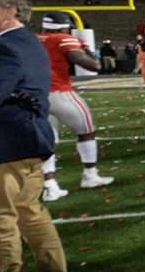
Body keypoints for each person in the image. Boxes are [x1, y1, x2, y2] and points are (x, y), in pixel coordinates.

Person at [0, 0, 75, 272]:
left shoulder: (6, 46)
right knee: (32, 214)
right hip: (28, 141)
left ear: (9, 12)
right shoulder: (29, 42)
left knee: (3, 222)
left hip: (7, 144)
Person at [36, 12, 114, 201]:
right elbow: (94, 66)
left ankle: (50, 186)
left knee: (48, 140)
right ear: (63, 27)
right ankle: (90, 175)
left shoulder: (33, 39)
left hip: (37, 95)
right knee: (86, 131)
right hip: (60, 92)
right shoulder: (63, 39)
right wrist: (87, 48)